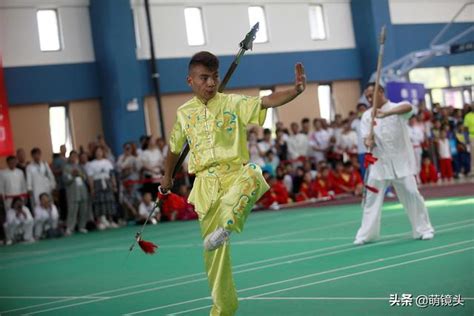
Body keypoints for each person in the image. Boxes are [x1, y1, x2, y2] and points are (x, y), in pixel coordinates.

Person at [160, 51, 306, 316]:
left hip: (234, 176)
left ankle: (228, 223)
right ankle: (223, 310)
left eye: (214, 77)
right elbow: (173, 148)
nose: (211, 83)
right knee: (214, 259)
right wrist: (167, 176)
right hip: (204, 186)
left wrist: (295, 91)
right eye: (204, 78)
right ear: (190, 80)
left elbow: (266, 101)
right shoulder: (183, 114)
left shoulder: (232, 102)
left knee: (254, 174)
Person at [354, 82, 434, 245]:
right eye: (367, 96)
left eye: (372, 95)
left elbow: (408, 107)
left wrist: (386, 114)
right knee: (371, 199)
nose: (369, 99)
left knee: (412, 193)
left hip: (401, 162)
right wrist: (369, 141)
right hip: (379, 164)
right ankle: (366, 235)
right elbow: (366, 141)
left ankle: (423, 229)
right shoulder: (367, 116)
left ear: (381, 92)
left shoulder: (397, 108)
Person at [63, 151, 90, 235]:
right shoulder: (66, 167)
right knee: (72, 210)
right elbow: (65, 179)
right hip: (73, 192)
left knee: (83, 209)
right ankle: (70, 228)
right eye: (72, 156)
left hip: (82, 190)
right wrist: (72, 175)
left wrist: (80, 174)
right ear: (69, 157)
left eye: (75, 156)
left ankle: (82, 226)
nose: (74, 157)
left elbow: (85, 178)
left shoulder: (80, 167)